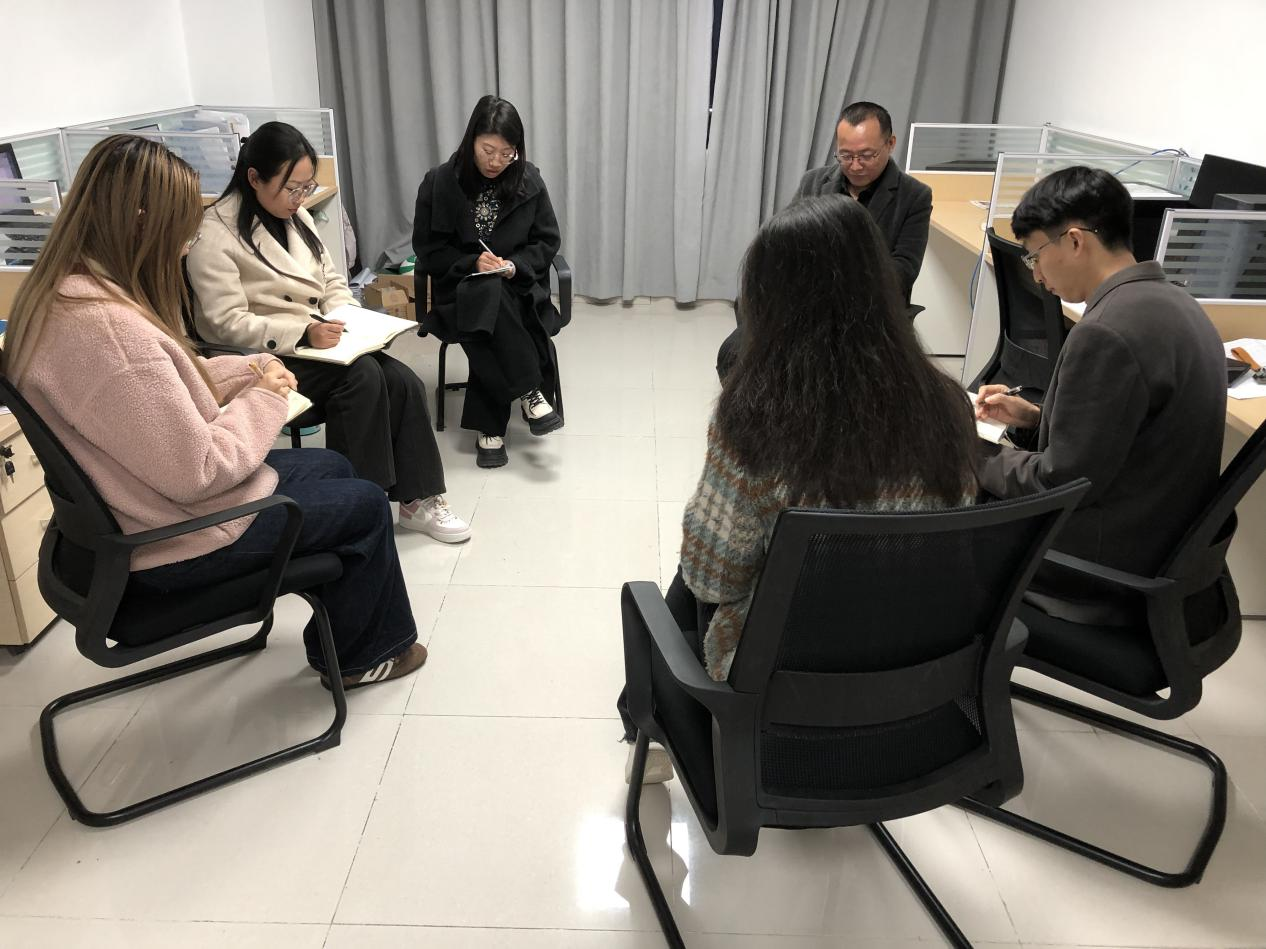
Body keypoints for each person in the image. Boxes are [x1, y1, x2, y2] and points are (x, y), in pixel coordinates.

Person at [2, 134, 425, 691]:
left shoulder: (66, 296)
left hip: (132, 512)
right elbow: (201, 470)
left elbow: (167, 384)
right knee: (365, 504)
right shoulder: (114, 334)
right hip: (172, 539)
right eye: (181, 229)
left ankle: (342, 626)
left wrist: (251, 371)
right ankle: (363, 656)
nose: (184, 247)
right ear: (141, 223)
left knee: (334, 467)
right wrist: (264, 398)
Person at [618, 194, 979, 777]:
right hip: (914, 676)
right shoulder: (948, 407)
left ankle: (647, 719)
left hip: (781, 694)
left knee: (687, 581)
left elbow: (711, 579)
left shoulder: (755, 422)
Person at [186, 121, 470, 543]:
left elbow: (331, 279)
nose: (301, 198)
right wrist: (303, 332)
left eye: (306, 187)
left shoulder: (297, 216)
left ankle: (418, 501)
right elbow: (223, 322)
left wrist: (350, 318)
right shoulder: (214, 232)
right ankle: (359, 509)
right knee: (364, 378)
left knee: (403, 380)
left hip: (319, 345)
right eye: (292, 188)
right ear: (254, 178)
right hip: (263, 359)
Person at [975, 166, 1226, 623]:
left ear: (1074, 241)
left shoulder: (1108, 331)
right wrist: (1032, 418)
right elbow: (1119, 440)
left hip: (1097, 568)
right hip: (1155, 543)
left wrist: (967, 451)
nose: (1036, 276)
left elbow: (1058, 484)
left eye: (1035, 257)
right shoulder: (1175, 303)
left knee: (939, 513)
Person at [716, 100, 933, 377]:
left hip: (867, 311)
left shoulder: (914, 196)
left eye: (867, 155)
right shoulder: (814, 182)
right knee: (735, 356)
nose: (855, 165)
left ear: (890, 144)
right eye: (845, 155)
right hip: (806, 304)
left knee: (823, 370)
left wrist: (838, 284)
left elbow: (904, 269)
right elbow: (788, 244)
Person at [413, 95, 567, 468]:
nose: (496, 161)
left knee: (494, 299)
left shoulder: (529, 180)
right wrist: (471, 262)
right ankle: (529, 390)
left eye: (507, 153)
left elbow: (547, 241)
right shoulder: (440, 182)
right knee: (486, 293)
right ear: (472, 141)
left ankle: (490, 429)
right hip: (459, 292)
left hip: (518, 287)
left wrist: (515, 265)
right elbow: (428, 250)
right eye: (488, 150)